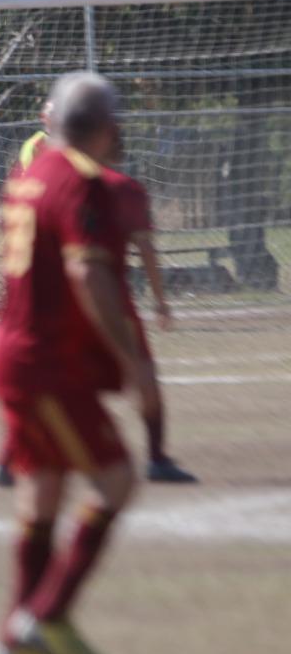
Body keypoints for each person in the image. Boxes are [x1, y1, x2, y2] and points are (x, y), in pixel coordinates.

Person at [0, 72, 149, 654]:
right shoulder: (83, 181)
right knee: (115, 480)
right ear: (106, 126)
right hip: (46, 361)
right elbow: (89, 274)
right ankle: (43, 619)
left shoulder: (28, 174)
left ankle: (18, 633)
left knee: (44, 489)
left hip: (15, 349)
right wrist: (132, 358)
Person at [100, 164, 197, 484]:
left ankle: (11, 458)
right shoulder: (122, 187)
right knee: (142, 371)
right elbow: (145, 248)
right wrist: (161, 302)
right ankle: (156, 457)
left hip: (61, 299)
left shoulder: (47, 180)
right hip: (108, 295)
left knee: (51, 379)